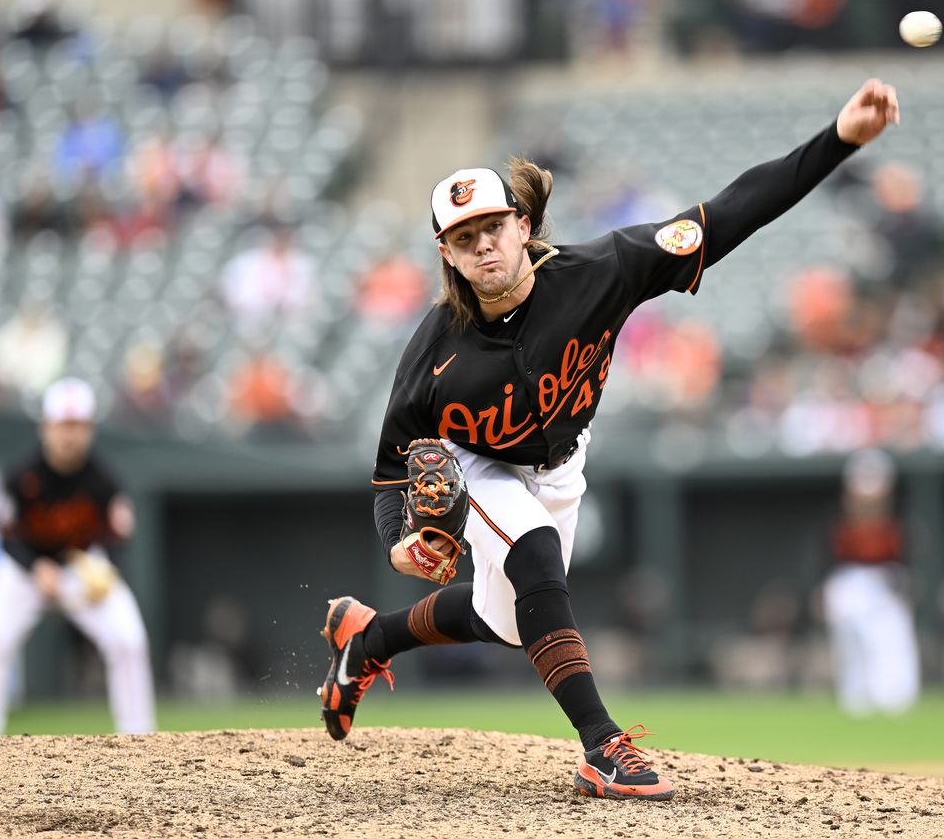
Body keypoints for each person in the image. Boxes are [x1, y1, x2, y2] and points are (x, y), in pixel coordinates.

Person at [316, 78, 901, 799]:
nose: (484, 246)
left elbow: (729, 214)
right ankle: (602, 745)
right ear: (449, 256)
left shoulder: (603, 270)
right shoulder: (433, 354)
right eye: (465, 239)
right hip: (481, 465)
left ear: (523, 225)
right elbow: (389, 472)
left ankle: (365, 638)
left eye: (493, 227)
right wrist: (397, 540)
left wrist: (838, 138)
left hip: (563, 460)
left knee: (506, 620)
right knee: (533, 558)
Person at [0, 378, 155, 736]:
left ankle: (139, 738)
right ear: (46, 427)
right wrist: (36, 568)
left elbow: (119, 536)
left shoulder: (104, 480)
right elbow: (6, 536)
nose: (70, 435)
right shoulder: (22, 476)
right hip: (23, 572)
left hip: (81, 570)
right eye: (63, 425)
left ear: (90, 430)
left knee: (128, 641)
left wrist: (106, 569)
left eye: (78, 426)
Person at [820, 447, 919, 715]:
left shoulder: (897, 520)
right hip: (848, 582)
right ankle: (856, 704)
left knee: (891, 643)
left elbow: (907, 555)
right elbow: (825, 559)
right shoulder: (838, 520)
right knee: (852, 649)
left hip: (885, 581)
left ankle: (894, 703)